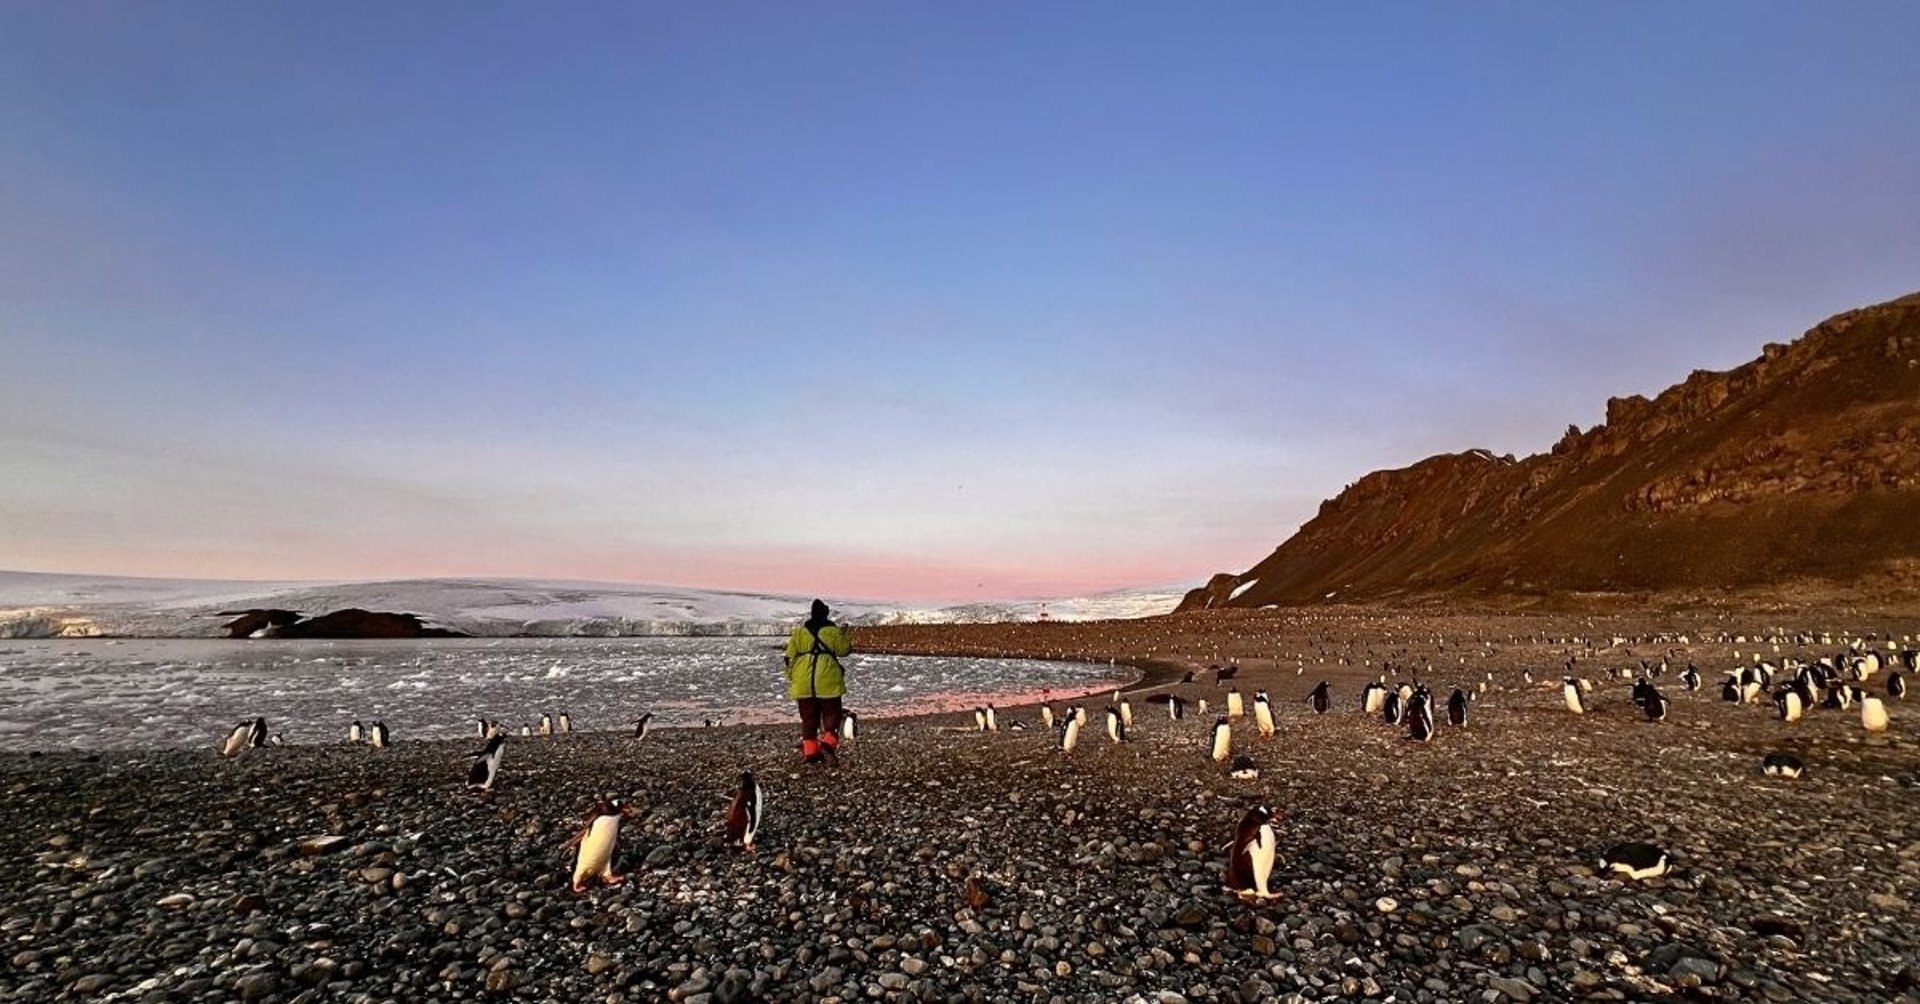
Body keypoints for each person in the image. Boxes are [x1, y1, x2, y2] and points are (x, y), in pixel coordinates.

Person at [785, 598, 852, 765]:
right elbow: (844, 650)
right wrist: (843, 633)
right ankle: (828, 744)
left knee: (808, 718)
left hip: (803, 681)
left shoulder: (800, 633)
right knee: (832, 714)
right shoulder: (833, 631)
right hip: (827, 679)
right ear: (826, 613)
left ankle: (811, 754)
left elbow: (788, 658)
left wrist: (793, 677)